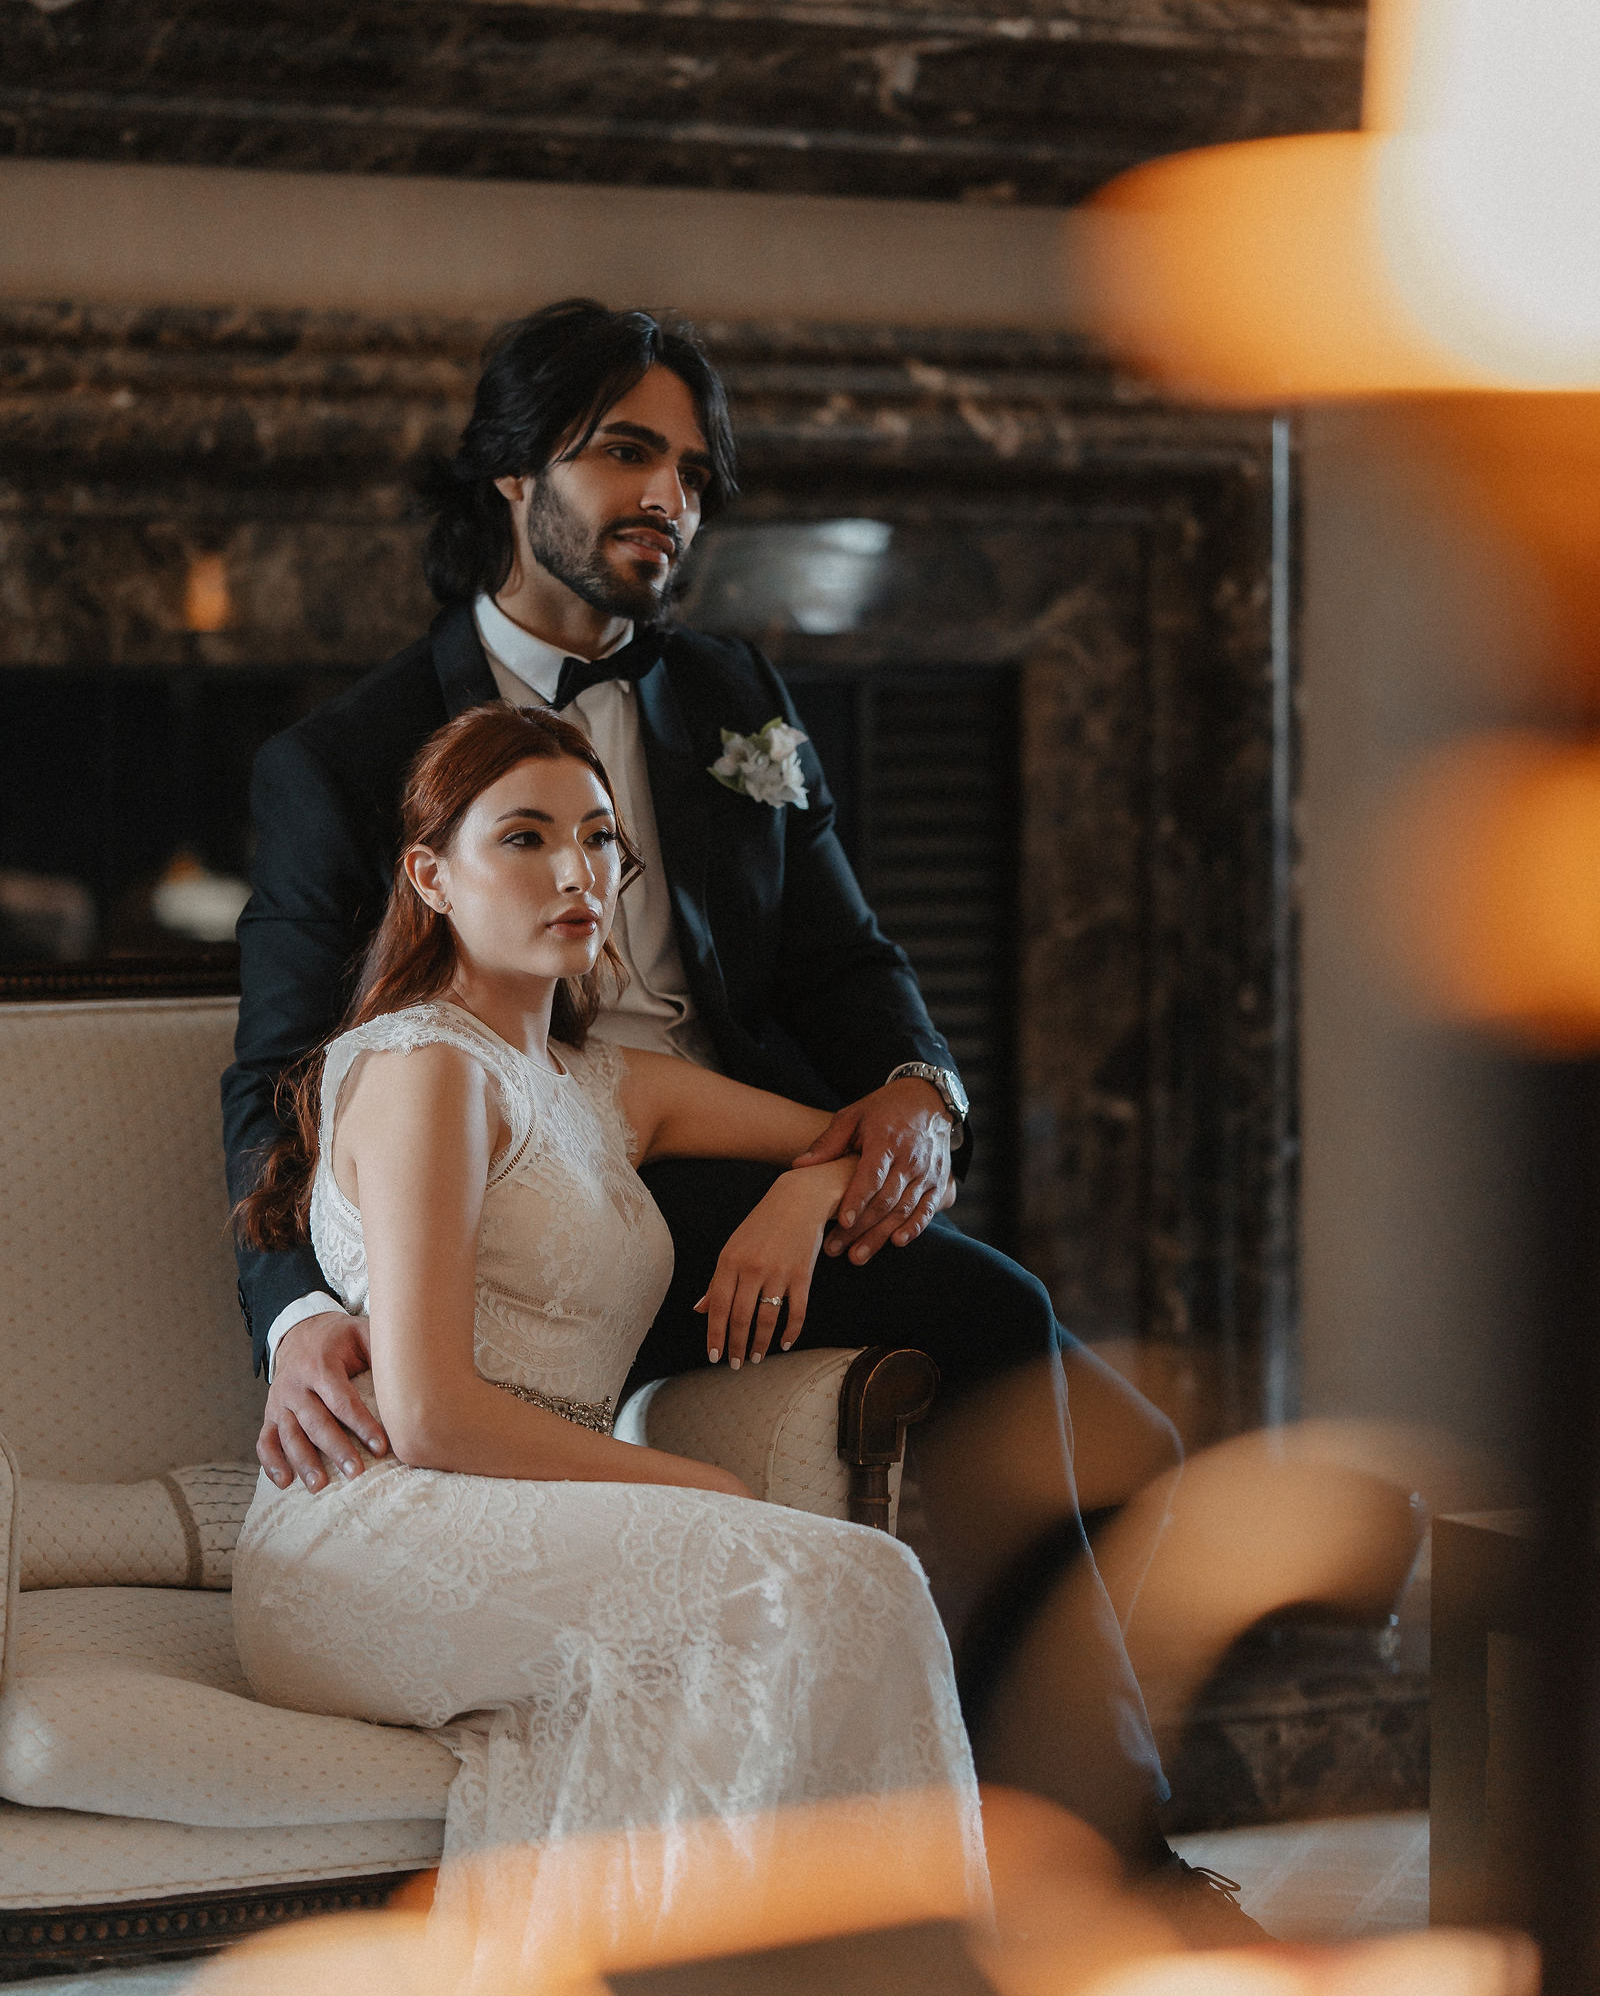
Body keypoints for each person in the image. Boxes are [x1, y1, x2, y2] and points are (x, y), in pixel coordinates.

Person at [221, 297, 1253, 1930]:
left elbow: (852, 961)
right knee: (1026, 1353)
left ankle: (1074, 1853)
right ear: (512, 474)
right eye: (625, 450)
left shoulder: (732, 693)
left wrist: (910, 1097)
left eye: (694, 471)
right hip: (493, 1201)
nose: (670, 500)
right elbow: (282, 1069)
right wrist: (295, 1321)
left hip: (692, 1146)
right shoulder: (346, 760)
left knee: (1014, 1330)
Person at [230, 705, 986, 1958]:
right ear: (432, 875)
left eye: (597, 839)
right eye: (524, 838)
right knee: (842, 1578)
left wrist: (802, 1189)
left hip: (544, 1513)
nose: (575, 872)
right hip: (374, 1526)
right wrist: (695, 1482)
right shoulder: (425, 1067)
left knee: (844, 1588)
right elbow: (426, 1412)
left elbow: (857, 1135)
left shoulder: (608, 1089)